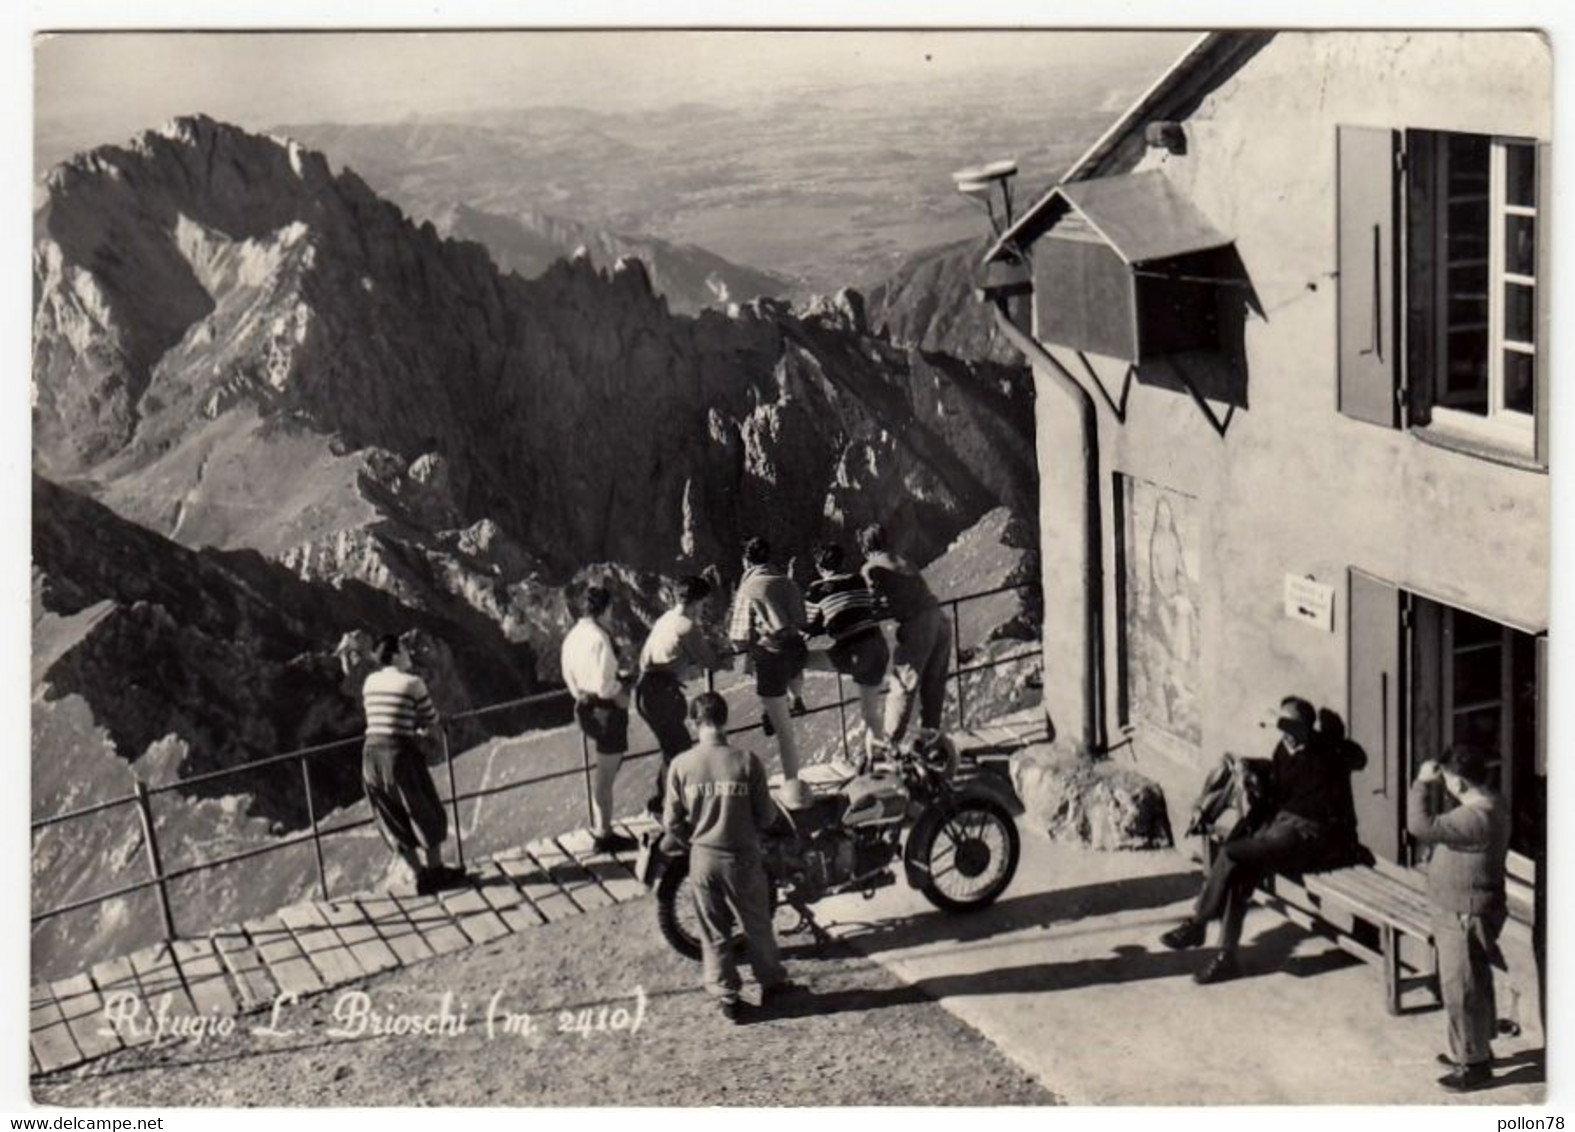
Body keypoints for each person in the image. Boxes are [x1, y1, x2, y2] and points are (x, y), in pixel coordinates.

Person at [1159, 696, 1358, 983]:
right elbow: (1277, 782)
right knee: (1240, 873)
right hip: (1280, 827)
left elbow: (1348, 756)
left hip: (1308, 836)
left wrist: (1277, 723)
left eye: (1290, 726)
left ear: (1306, 729)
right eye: (1283, 726)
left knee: (1231, 854)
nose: (1285, 734)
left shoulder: (1320, 754)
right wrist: (1248, 767)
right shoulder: (1284, 749)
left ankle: (1198, 923)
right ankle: (1226, 957)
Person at [664, 692, 799, 1022]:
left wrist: (694, 840)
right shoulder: (747, 761)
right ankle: (772, 986)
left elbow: (671, 822)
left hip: (703, 859)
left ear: (695, 723)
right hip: (742, 856)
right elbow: (766, 817)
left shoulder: (681, 765)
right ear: (725, 720)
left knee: (714, 930)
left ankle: (728, 999)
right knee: (757, 924)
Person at [1408, 745, 1511, 1093]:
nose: (1446, 786)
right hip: (1466, 907)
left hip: (1464, 913)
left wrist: (1422, 783)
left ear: (1463, 785)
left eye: (1450, 782)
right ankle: (1477, 1046)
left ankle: (1473, 1063)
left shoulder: (1474, 818)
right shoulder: (1490, 802)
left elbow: (1419, 825)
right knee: (1473, 981)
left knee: (1462, 988)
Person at [361, 634, 465, 895]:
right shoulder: (412, 683)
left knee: (391, 816)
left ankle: (419, 875)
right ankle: (436, 870)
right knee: (425, 809)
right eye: (405, 650)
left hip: (370, 756)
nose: (410, 655)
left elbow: (384, 718)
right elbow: (431, 719)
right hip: (399, 755)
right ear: (395, 655)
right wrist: (425, 735)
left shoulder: (369, 682)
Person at [560, 585, 639, 854]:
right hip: (606, 710)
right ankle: (603, 835)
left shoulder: (572, 637)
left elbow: (569, 675)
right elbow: (606, 686)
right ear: (606, 609)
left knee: (604, 773)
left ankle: (602, 829)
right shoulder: (599, 638)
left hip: (584, 707)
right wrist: (621, 692)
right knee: (605, 777)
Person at [858, 523, 951, 747]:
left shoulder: (871, 567)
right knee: (933, 685)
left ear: (865, 547)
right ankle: (930, 742)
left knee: (903, 685)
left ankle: (887, 744)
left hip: (919, 624)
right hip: (939, 620)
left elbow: (872, 602)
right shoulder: (902, 560)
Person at [636, 574, 720, 817]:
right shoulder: (687, 626)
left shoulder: (666, 619)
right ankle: (675, 809)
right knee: (681, 750)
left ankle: (662, 802)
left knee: (672, 748)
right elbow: (709, 661)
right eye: (703, 604)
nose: (703, 609)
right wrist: (722, 661)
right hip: (661, 693)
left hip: (646, 690)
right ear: (697, 601)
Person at [727, 536, 809, 782]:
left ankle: (792, 784)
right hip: (797, 650)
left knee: (785, 734)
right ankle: (796, 697)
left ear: (746, 561)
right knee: (793, 662)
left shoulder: (748, 588)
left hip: (772, 656)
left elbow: (738, 636)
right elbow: (803, 620)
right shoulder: (786, 582)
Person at [804, 542, 889, 764]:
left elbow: (805, 625)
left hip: (853, 651)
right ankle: (877, 758)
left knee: (797, 659)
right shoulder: (859, 579)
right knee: (870, 711)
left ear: (820, 566)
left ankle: (790, 701)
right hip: (878, 646)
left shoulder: (817, 589)